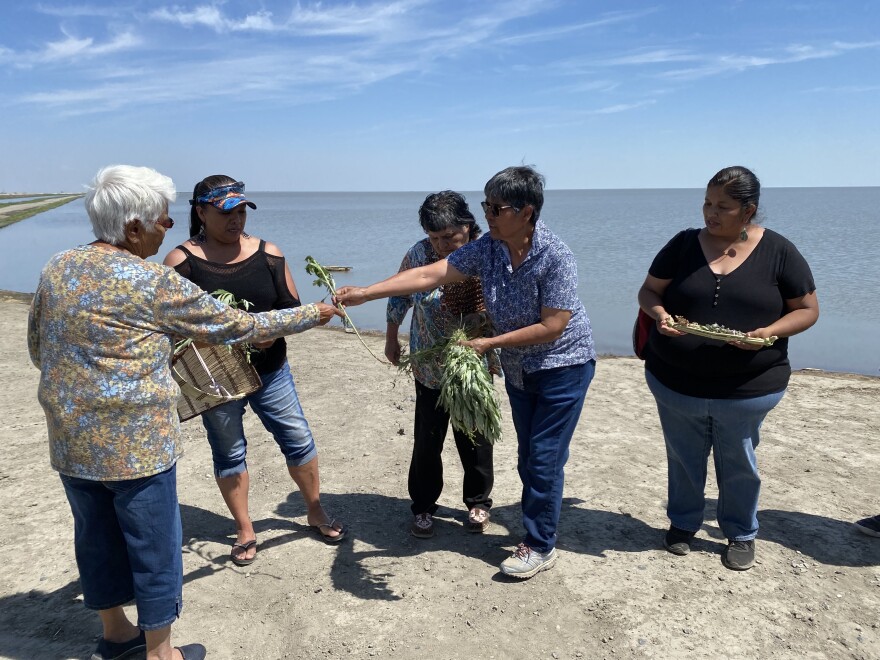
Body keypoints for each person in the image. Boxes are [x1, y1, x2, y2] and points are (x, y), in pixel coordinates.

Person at [27, 165, 340, 660]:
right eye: (161, 221)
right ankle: (160, 653)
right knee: (153, 545)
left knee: (95, 537)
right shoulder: (151, 280)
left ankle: (115, 636)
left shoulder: (57, 266)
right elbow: (236, 325)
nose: (166, 229)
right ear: (132, 228)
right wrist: (315, 313)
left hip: (70, 438)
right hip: (137, 444)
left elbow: (38, 348)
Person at [337, 166, 596, 579]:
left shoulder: (555, 256)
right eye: (485, 205)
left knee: (541, 459)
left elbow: (554, 325)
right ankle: (464, 514)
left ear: (526, 211)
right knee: (528, 458)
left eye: (496, 207)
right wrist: (366, 292)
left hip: (560, 365)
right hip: (517, 370)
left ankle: (539, 543)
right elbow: (426, 274)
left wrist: (489, 343)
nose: (487, 215)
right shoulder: (488, 249)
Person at [637, 165, 819, 571]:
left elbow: (807, 310)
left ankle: (740, 532)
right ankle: (683, 524)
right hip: (675, 380)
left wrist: (769, 332)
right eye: (706, 202)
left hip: (749, 387)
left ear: (748, 210)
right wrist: (661, 314)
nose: (710, 213)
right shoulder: (682, 245)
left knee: (739, 461)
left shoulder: (779, 251)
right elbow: (649, 290)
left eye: (722, 206)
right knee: (683, 456)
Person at [163, 175, 347, 567]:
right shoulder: (181, 262)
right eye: (226, 212)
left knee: (297, 437)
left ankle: (314, 509)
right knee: (229, 452)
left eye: (242, 210)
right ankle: (244, 528)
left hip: (271, 370)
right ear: (200, 212)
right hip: (217, 380)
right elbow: (174, 326)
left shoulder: (268, 254)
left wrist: (292, 324)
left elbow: (290, 310)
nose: (237, 219)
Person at [385, 191, 497, 539]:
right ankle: (422, 506)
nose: (442, 244)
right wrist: (392, 336)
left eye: (449, 236)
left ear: (467, 225)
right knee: (427, 440)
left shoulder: (487, 252)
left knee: (475, 436)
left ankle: (478, 502)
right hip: (429, 362)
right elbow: (400, 293)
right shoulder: (419, 254)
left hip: (472, 362)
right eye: (435, 237)